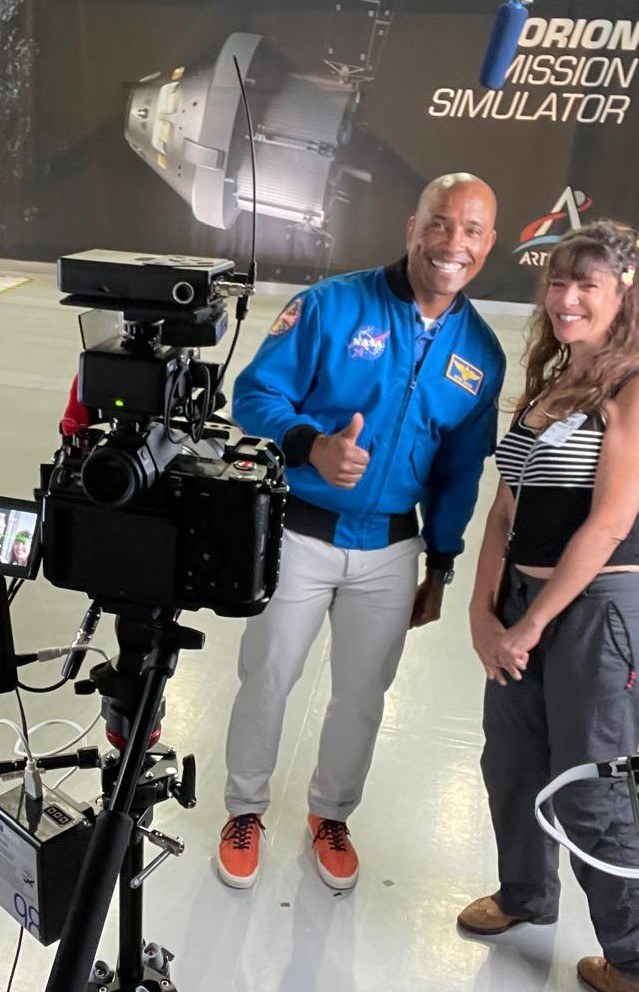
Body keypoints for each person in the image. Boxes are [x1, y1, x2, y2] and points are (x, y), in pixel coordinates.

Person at [217, 172, 506, 890]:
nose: (453, 243)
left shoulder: (481, 355)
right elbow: (253, 394)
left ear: (489, 244)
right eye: (439, 223)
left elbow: (459, 473)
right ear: (412, 228)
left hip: (389, 550)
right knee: (268, 676)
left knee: (362, 695)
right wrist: (308, 444)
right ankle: (244, 808)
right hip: (300, 534)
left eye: (471, 231)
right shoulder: (331, 305)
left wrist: (440, 564)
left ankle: (331, 813)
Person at [457, 220, 639, 992]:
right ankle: (525, 894)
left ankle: (632, 957)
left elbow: (610, 520)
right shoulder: (550, 382)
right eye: (557, 281)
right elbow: (504, 510)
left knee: (588, 788)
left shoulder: (630, 386)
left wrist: (532, 625)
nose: (565, 298)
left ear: (622, 294)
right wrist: (483, 611)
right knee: (512, 762)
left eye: (584, 284)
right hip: (520, 601)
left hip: (595, 611)